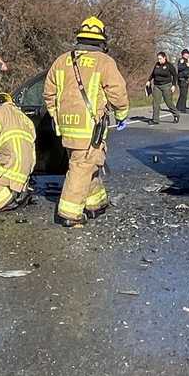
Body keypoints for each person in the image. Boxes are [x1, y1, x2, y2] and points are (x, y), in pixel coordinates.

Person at [42, 16, 130, 228]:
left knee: (87, 164)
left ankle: (95, 203)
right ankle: (69, 214)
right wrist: (121, 115)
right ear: (101, 41)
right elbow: (117, 93)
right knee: (81, 168)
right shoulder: (104, 62)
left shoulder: (61, 61)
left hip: (67, 128)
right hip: (90, 129)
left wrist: (56, 117)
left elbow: (48, 93)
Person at [146, 52, 180, 125]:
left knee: (168, 102)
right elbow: (153, 74)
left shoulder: (169, 65)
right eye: (158, 59)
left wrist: (174, 85)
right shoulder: (157, 65)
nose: (159, 60)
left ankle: (176, 114)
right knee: (155, 103)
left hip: (166, 85)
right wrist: (149, 80)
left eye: (160, 58)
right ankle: (155, 119)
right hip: (157, 86)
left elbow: (175, 75)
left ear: (164, 58)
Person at [176, 49, 189, 113]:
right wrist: (187, 65)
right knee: (183, 94)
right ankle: (182, 108)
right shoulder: (182, 60)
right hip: (182, 79)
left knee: (184, 94)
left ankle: (179, 107)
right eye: (187, 54)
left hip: (185, 79)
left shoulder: (187, 61)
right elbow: (180, 67)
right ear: (184, 54)